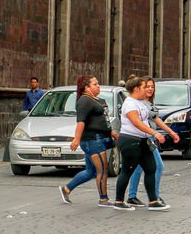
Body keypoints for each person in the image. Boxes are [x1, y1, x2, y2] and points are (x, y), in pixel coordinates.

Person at [59, 74, 118, 207]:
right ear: (86, 87)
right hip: (92, 140)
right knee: (102, 169)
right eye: (95, 84)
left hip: (97, 138)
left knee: (90, 171)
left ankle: (66, 189)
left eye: (98, 83)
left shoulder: (94, 99)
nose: (98, 86)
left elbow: (100, 120)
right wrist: (76, 139)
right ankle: (103, 199)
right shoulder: (84, 101)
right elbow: (81, 122)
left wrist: (111, 132)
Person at [115, 76, 170, 211]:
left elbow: (150, 119)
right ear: (136, 89)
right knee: (127, 171)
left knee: (152, 168)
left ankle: (153, 201)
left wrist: (167, 132)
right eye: (144, 87)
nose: (147, 90)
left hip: (143, 141)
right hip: (130, 140)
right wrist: (154, 133)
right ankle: (119, 201)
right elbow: (137, 122)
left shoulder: (140, 102)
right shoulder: (129, 103)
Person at [126, 77, 180, 207]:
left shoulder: (148, 103)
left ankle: (132, 196)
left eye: (152, 86)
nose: (150, 89)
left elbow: (156, 119)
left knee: (137, 168)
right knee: (157, 166)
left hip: (149, 137)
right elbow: (137, 122)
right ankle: (154, 197)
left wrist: (171, 132)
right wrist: (154, 133)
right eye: (147, 86)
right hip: (144, 138)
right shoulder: (137, 102)